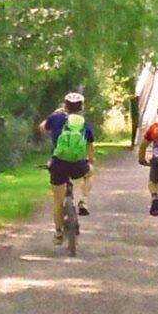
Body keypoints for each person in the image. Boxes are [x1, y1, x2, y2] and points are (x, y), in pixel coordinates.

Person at [42, 92, 98, 243]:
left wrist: (54, 113)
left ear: (65, 105)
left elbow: (42, 128)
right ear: (81, 107)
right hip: (78, 164)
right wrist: (91, 161)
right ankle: (83, 200)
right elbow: (90, 146)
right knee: (89, 173)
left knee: (57, 201)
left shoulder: (56, 118)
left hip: (58, 163)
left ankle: (59, 233)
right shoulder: (83, 123)